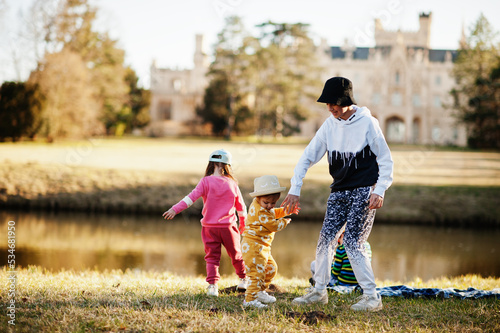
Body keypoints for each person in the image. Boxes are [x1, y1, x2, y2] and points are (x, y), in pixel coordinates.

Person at [281, 77, 393, 311]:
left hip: (364, 190)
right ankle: (319, 291)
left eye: (335, 103)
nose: (331, 108)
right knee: (325, 241)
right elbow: (307, 156)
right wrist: (295, 188)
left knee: (353, 242)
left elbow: (385, 159)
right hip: (339, 191)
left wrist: (380, 189)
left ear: (347, 100)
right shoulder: (329, 125)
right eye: (328, 104)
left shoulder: (368, 123)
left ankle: (372, 298)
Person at [163, 149, 248, 297]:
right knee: (236, 254)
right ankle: (243, 279)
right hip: (229, 227)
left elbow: (190, 198)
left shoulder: (205, 181)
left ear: (211, 164)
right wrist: (243, 224)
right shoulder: (232, 183)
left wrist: (174, 209)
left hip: (210, 227)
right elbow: (241, 207)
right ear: (228, 165)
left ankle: (212, 286)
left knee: (212, 257)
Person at [241, 175, 299, 308]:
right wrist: (285, 221)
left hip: (262, 246)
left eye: (273, 203)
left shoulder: (264, 207)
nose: (269, 206)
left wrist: (286, 211)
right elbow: (273, 225)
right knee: (256, 273)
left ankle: (260, 291)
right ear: (258, 198)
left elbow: (273, 213)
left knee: (271, 268)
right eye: (266, 203)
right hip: (253, 246)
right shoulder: (260, 211)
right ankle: (249, 300)